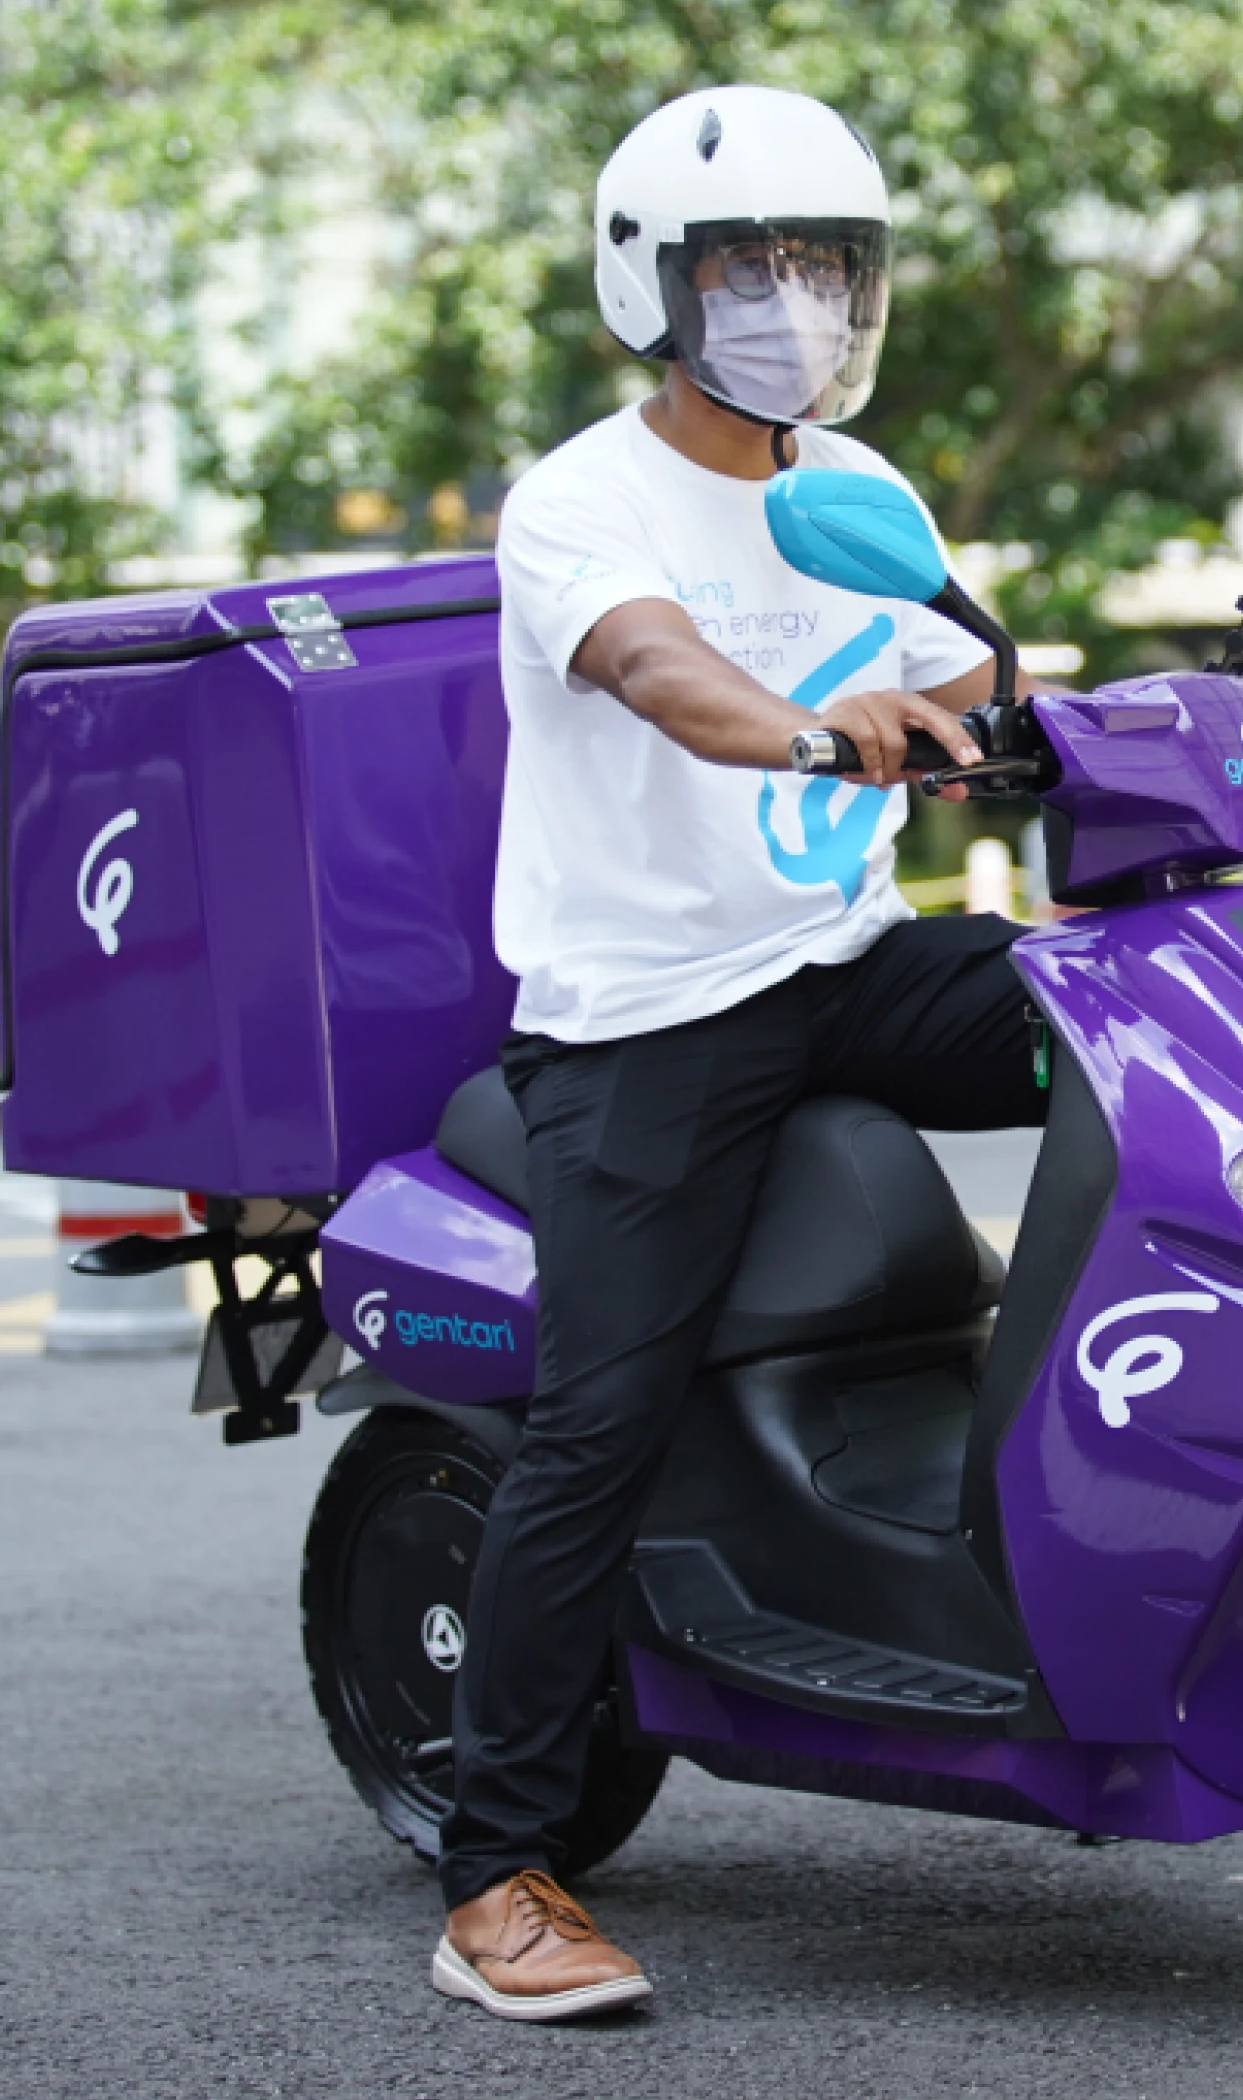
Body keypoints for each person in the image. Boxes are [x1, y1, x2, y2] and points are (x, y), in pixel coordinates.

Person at [430, 84, 1050, 2023]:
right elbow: (662, 676)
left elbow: (990, 689)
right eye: (748, 268)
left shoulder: (855, 494)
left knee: (1136, 1031)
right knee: (599, 1415)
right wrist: (818, 729)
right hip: (642, 1024)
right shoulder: (582, 503)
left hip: (839, 959)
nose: (793, 302)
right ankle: (499, 1875)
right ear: (654, 285)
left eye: (826, 265)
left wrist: (1114, 731)